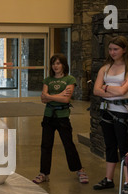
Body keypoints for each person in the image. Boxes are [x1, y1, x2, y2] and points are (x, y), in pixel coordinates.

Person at [32, 53, 89, 185]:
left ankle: (79, 169)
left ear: (64, 65)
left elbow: (65, 99)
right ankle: (43, 173)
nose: (55, 66)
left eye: (58, 63)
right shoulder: (48, 80)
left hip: (63, 117)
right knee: (46, 145)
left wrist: (50, 96)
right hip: (48, 116)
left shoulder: (70, 80)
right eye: (53, 63)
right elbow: (42, 99)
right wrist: (58, 95)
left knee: (68, 144)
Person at [92, 36, 128, 194]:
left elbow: (123, 91)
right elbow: (95, 91)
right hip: (107, 111)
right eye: (110, 49)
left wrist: (105, 87)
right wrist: (113, 89)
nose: (112, 52)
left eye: (115, 49)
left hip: (123, 112)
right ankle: (109, 179)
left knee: (124, 146)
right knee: (110, 145)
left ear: (124, 49)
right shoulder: (105, 68)